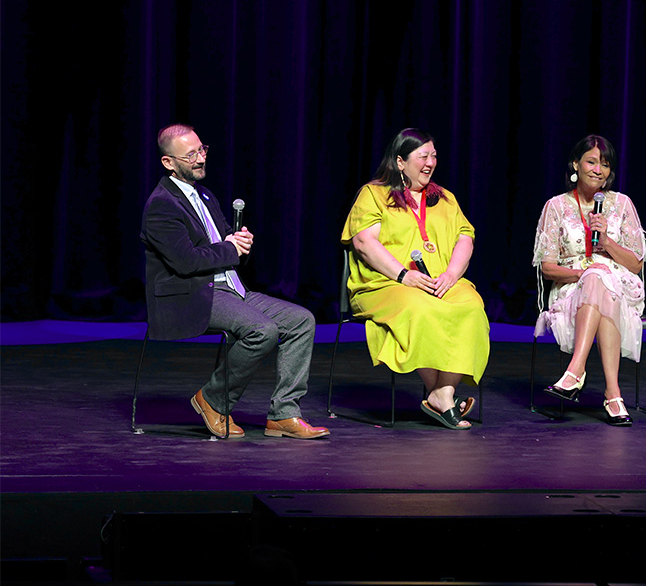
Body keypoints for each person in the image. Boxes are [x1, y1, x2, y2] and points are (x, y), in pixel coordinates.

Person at [141, 124, 329, 439]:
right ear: (168, 162)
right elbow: (186, 262)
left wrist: (239, 245)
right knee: (262, 331)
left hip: (231, 289)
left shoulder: (204, 195)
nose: (200, 159)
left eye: (202, 150)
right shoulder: (161, 205)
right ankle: (213, 400)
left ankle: (284, 413)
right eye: (191, 155)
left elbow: (225, 252)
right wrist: (229, 248)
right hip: (192, 295)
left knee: (302, 321)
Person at [341, 128, 489, 430]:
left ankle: (442, 393)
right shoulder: (374, 194)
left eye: (434, 156)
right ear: (400, 161)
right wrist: (402, 274)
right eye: (423, 156)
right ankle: (444, 398)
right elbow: (364, 243)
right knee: (421, 307)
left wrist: (451, 274)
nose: (430, 162)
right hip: (384, 284)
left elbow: (465, 237)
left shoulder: (444, 198)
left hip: (439, 281)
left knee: (471, 305)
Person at [534, 135, 646, 426]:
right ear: (576, 164)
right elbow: (547, 267)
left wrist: (607, 241)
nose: (599, 170)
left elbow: (635, 264)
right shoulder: (556, 207)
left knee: (601, 278)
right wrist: (581, 275)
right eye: (592, 162)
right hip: (571, 286)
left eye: (606, 165)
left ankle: (575, 372)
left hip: (620, 284)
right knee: (596, 279)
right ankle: (613, 394)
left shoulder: (622, 204)